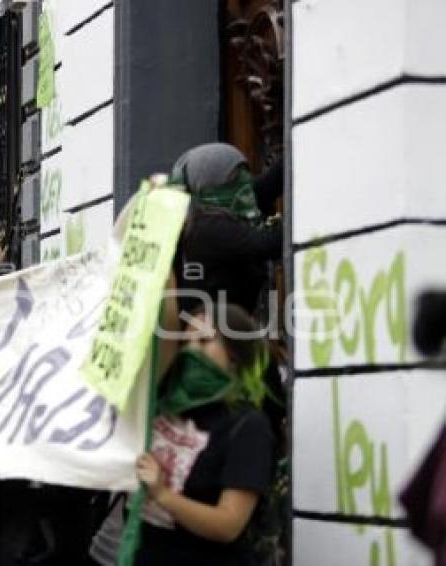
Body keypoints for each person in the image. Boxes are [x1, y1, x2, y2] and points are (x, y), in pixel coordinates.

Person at [133, 303, 275, 566]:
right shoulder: (166, 404)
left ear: (234, 357)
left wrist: (162, 494)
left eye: (204, 341)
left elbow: (227, 525)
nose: (190, 352)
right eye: (186, 344)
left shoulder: (248, 426)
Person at [171, 143, 283, 316]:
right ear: (209, 186)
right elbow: (269, 244)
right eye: (234, 177)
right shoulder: (206, 228)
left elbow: (271, 182)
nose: (244, 180)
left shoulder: (231, 201)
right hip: (212, 335)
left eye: (244, 172)